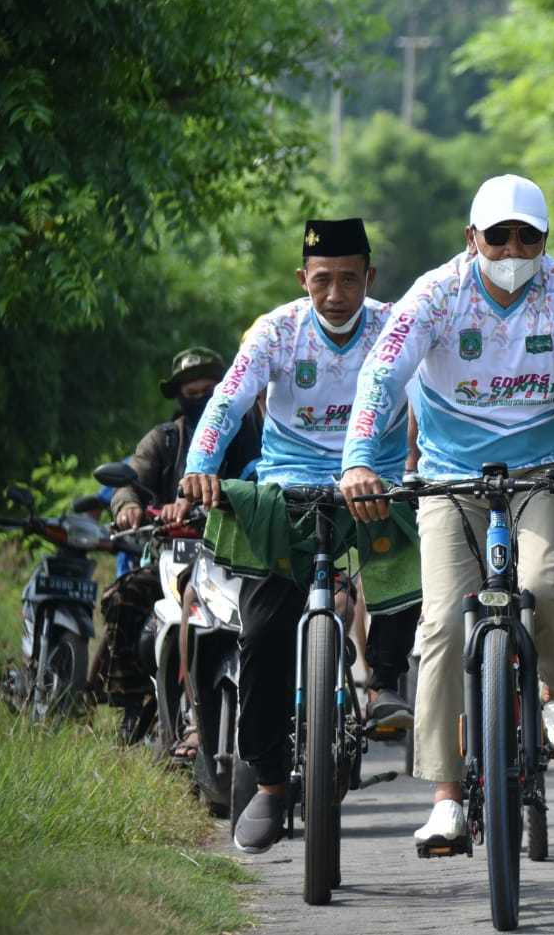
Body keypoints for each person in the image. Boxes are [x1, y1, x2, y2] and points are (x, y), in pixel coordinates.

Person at [341, 174, 554, 851]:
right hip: (449, 478)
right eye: (497, 235)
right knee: (439, 623)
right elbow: (382, 375)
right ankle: (444, 795)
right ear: (471, 238)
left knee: (553, 581)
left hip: (546, 469)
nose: (512, 247)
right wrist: (358, 457)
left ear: (546, 241)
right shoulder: (437, 294)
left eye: (528, 236)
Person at [178, 217, 410, 853]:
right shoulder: (275, 330)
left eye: (349, 280)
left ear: (370, 277)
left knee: (408, 569)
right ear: (302, 280)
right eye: (322, 281)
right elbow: (228, 401)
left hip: (375, 483)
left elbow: (431, 400)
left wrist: (419, 470)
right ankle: (271, 783)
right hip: (289, 489)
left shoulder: (394, 327)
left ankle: (387, 683)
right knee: (259, 631)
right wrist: (200, 466)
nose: (336, 294)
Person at [111, 348, 261, 529]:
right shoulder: (163, 440)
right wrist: (128, 506)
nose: (200, 398)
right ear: (180, 398)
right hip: (175, 546)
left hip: (247, 538)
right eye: (191, 393)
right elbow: (130, 483)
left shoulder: (255, 429)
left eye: (208, 392)